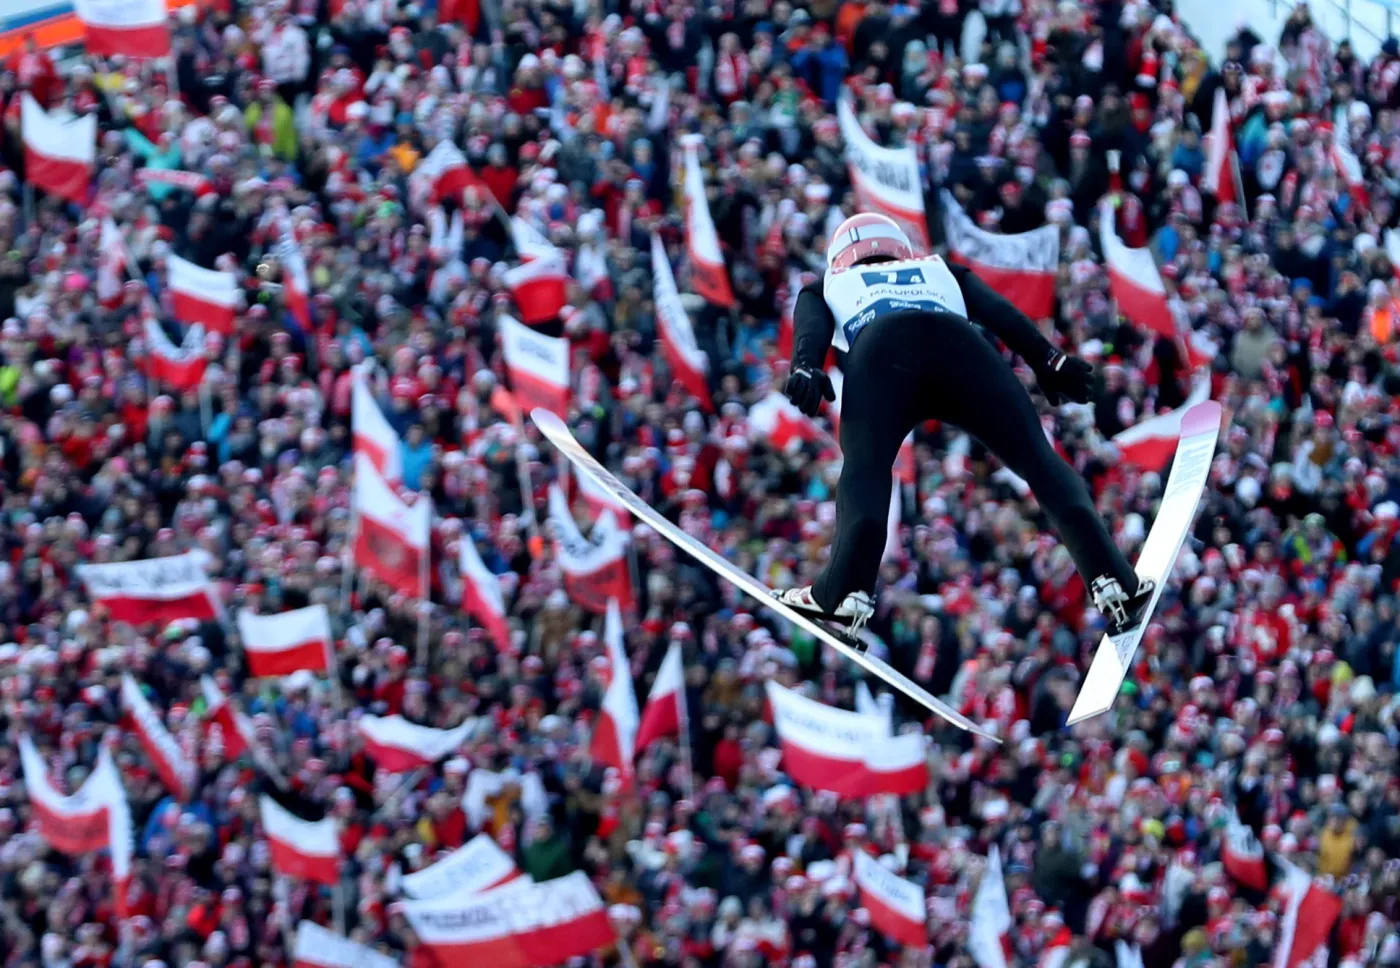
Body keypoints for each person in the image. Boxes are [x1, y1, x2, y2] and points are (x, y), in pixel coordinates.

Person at [773, 212, 1154, 634]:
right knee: (1039, 461)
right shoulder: (937, 267)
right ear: (901, 249)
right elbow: (999, 311)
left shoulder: (828, 284)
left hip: (883, 352)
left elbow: (810, 325)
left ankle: (843, 591)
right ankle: (1110, 575)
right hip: (960, 347)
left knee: (866, 469)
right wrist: (1047, 359)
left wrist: (805, 366)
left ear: (840, 258)